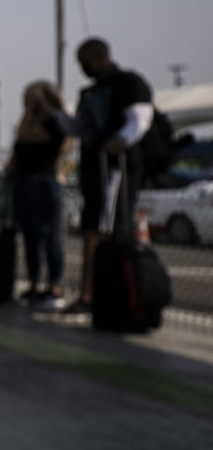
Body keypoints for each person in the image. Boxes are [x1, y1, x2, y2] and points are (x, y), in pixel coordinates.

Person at [57, 38, 154, 316]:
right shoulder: (90, 92)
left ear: (101, 57)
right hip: (93, 170)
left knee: (107, 229)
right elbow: (77, 127)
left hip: (115, 170)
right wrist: (55, 110)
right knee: (92, 228)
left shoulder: (128, 83)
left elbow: (140, 119)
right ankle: (91, 294)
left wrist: (119, 141)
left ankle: (105, 295)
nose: (84, 68)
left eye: (86, 62)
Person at [8, 81, 68, 311]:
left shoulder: (56, 124)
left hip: (45, 183)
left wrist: (42, 102)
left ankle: (54, 285)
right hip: (23, 182)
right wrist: (29, 110)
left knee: (50, 235)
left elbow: (34, 136)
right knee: (30, 236)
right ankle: (34, 283)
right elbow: (21, 137)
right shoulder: (27, 123)